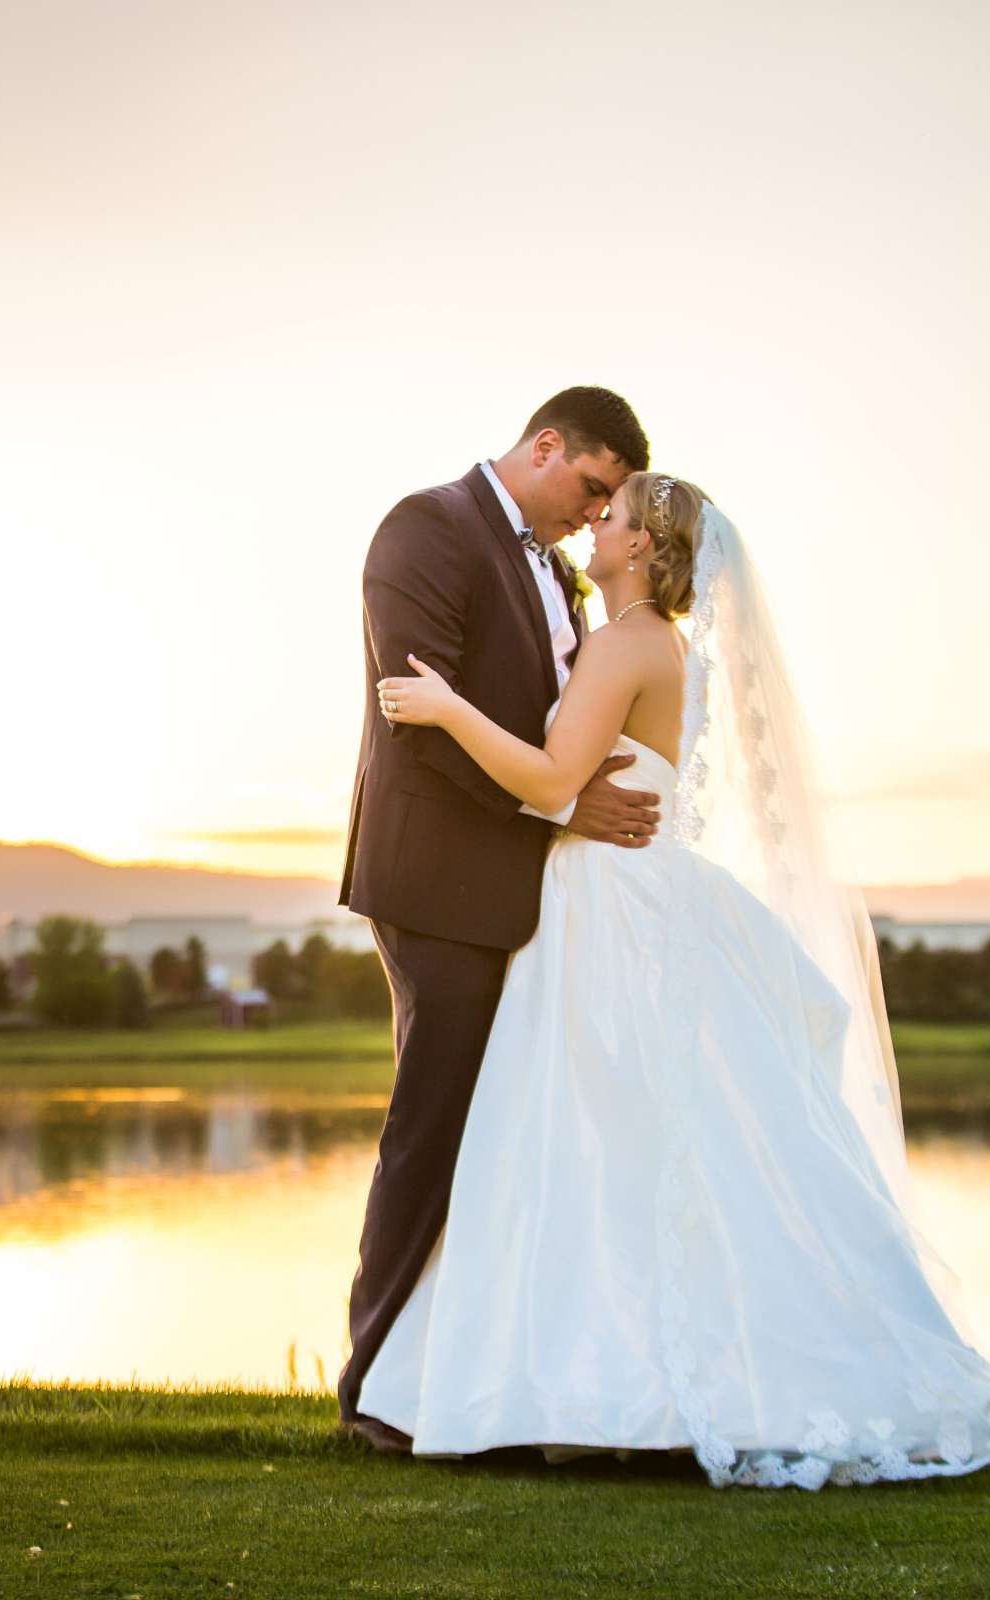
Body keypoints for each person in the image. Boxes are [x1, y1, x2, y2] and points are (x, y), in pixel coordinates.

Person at [358, 471, 990, 1486]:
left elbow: (551, 781)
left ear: (643, 548)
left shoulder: (629, 643)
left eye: (614, 517)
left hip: (615, 908)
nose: (597, 526)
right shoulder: (650, 642)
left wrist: (450, 708)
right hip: (620, 900)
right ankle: (599, 1381)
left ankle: (597, 1382)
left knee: (595, 1136)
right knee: (618, 1142)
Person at [335, 386, 657, 1447]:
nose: (595, 512)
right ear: (547, 444)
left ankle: (474, 1376)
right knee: (429, 1132)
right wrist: (565, 799)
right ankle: (376, 1392)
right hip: (435, 880)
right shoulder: (427, 526)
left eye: (612, 503)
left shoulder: (556, 568)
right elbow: (417, 715)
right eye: (595, 487)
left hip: (515, 890)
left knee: (496, 1137)